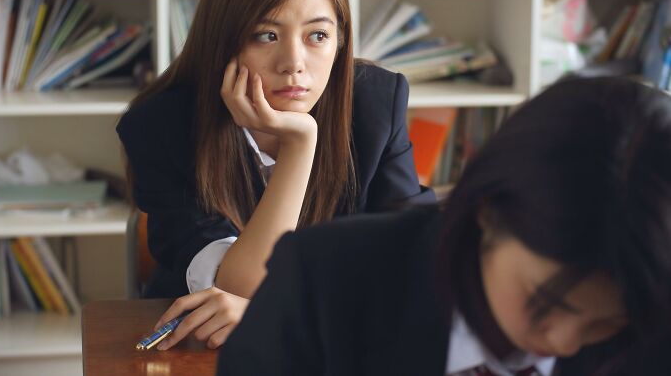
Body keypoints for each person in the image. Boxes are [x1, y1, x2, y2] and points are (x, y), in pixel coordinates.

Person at [216, 76, 671, 375]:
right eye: (544, 302)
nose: (565, 344)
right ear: (487, 210)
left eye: (607, 322)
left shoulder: (653, 324)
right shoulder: (324, 282)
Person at [116, 0, 434, 350]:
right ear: (224, 41)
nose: (294, 65)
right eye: (266, 35)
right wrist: (301, 143)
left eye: (317, 36)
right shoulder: (160, 126)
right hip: (206, 355)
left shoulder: (375, 103)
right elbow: (243, 285)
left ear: (339, 42)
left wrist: (285, 311)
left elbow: (419, 260)